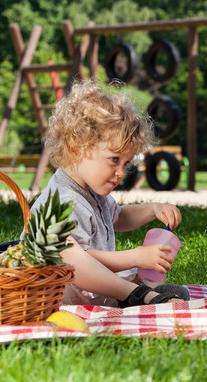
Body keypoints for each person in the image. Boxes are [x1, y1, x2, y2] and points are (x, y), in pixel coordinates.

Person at [29, 80, 189, 307]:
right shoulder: (64, 201)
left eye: (126, 163)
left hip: (94, 292)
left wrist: (153, 209)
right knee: (76, 254)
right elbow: (76, 261)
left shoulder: (91, 191)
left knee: (138, 272)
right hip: (66, 299)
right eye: (114, 160)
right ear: (76, 148)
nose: (120, 173)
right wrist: (134, 257)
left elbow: (119, 216)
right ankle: (138, 294)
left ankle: (143, 293)